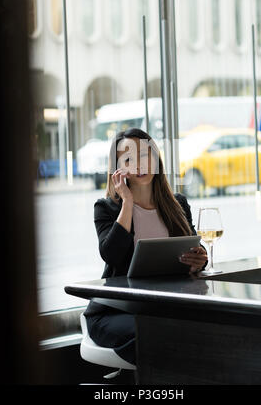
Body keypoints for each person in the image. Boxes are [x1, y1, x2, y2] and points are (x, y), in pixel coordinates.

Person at [84, 128, 208, 366]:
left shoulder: (178, 203)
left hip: (162, 307)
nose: (139, 164)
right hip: (114, 311)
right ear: (118, 167)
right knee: (160, 335)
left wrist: (199, 260)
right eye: (128, 159)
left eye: (143, 155)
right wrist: (127, 202)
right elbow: (111, 255)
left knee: (199, 331)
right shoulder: (106, 208)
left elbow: (194, 250)